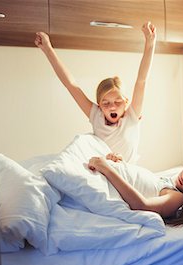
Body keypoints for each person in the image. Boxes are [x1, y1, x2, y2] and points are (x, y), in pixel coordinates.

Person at [34, 22, 157, 163]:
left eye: (117, 102)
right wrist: (48, 49)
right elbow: (71, 85)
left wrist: (150, 43)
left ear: (126, 102)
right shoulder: (96, 115)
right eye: (106, 103)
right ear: (99, 104)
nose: (112, 107)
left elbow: (141, 81)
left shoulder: (131, 118)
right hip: (102, 173)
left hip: (126, 174)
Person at [88, 155, 183, 226]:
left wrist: (107, 169)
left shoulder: (177, 197)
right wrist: (120, 163)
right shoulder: (171, 183)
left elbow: (142, 205)